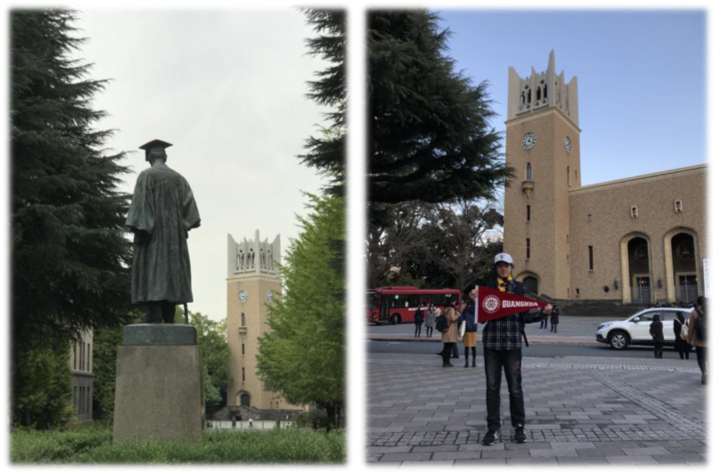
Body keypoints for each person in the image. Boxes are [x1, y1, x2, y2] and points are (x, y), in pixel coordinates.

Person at [476, 253, 552, 446]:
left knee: (515, 388)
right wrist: (474, 301)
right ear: (495, 268)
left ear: (511, 267)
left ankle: (519, 426)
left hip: (512, 345)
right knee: (492, 388)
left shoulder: (519, 288)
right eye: (500, 265)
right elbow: (480, 317)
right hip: (492, 345)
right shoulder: (488, 289)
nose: (503, 268)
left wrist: (543, 313)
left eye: (507, 265)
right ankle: (493, 428)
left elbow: (525, 316)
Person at [126, 139, 201, 323]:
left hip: (154, 237)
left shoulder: (147, 175)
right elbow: (192, 215)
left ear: (149, 156)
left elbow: (141, 209)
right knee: (172, 271)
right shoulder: (180, 179)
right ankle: (169, 315)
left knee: (155, 268)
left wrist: (141, 229)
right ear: (164, 156)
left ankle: (155, 313)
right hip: (176, 240)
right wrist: (179, 227)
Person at [687, 296, 707, 384]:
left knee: (701, 358)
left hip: (700, 340)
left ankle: (705, 373)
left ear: (697, 303)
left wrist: (689, 339)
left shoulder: (694, 313)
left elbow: (691, 328)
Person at [460, 288, 478, 368]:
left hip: (467, 330)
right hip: (474, 329)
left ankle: (466, 362)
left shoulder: (465, 309)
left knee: (466, 347)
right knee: (473, 347)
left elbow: (461, 319)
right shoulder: (476, 309)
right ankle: (474, 362)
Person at [440, 300, 460, 367]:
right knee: (449, 348)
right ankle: (447, 362)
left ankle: (445, 362)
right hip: (450, 330)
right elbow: (453, 319)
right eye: (453, 302)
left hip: (445, 329)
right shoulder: (451, 309)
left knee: (446, 347)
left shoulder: (444, 309)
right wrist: (457, 315)